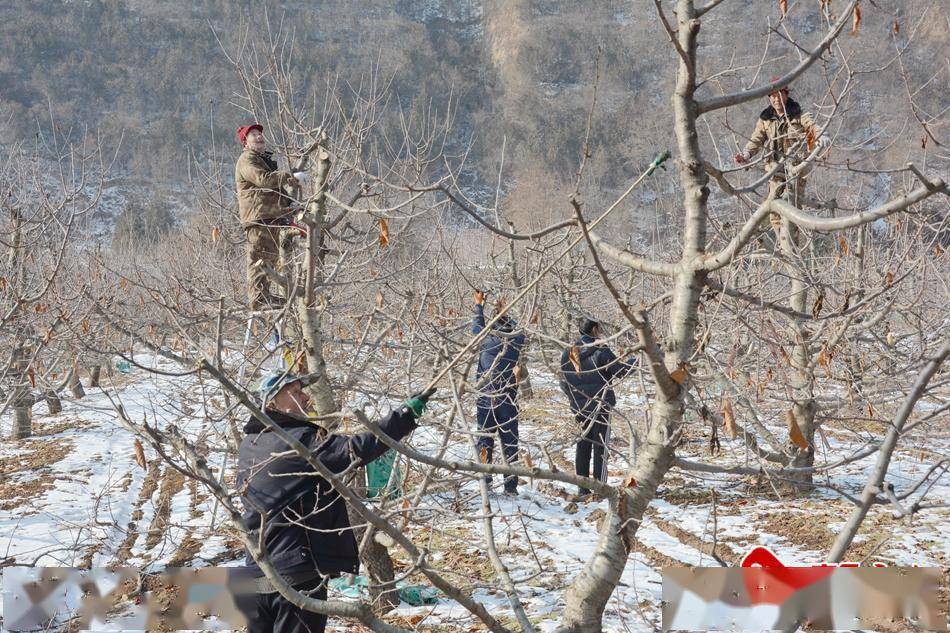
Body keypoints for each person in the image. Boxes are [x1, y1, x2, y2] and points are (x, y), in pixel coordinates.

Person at [233, 370, 435, 633]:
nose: (305, 397)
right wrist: (405, 416)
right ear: (271, 404)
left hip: (258, 574)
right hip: (294, 575)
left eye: (302, 390)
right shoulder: (295, 441)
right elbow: (354, 449)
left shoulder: (252, 441)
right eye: (294, 392)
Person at [559, 319, 637, 497]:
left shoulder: (568, 353)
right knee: (600, 447)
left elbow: (563, 382)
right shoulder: (601, 350)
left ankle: (582, 487)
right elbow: (621, 371)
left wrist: (574, 399)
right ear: (594, 330)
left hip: (579, 407)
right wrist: (637, 359)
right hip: (601, 406)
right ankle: (600, 488)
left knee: (582, 446)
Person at [235, 124, 308, 309]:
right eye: (253, 134)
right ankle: (259, 299)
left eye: (260, 133)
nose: (259, 137)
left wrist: (291, 205)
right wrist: (291, 176)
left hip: (271, 218)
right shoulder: (247, 159)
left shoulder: (262, 160)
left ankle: (266, 296)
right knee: (259, 259)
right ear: (245, 141)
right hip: (259, 218)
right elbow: (264, 179)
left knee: (271, 260)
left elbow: (276, 190)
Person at [734, 81, 829, 210]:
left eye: (779, 95)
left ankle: (792, 230)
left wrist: (820, 135)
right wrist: (746, 154)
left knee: (793, 205)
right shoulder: (765, 119)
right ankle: (779, 230)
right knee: (774, 206)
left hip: (796, 169)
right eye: (772, 96)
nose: (776, 99)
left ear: (786, 95)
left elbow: (810, 125)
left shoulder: (799, 114)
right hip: (775, 168)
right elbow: (756, 139)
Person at [472, 290, 526, 495]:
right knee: (510, 442)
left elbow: (477, 326)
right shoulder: (516, 341)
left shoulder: (486, 339)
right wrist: (503, 312)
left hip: (486, 399)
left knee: (485, 442)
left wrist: (479, 306)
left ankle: (485, 482)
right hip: (508, 400)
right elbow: (519, 329)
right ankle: (510, 487)